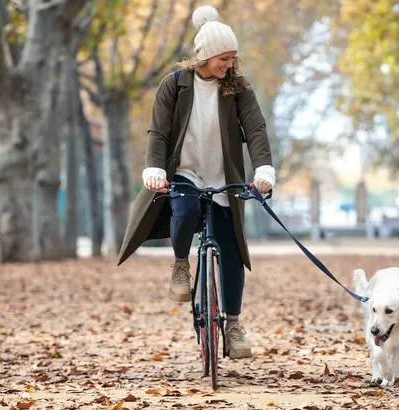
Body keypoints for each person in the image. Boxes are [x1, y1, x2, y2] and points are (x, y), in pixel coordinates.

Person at [116, 5, 276, 359]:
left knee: (232, 251)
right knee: (184, 209)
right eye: (223, 58)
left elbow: (256, 129)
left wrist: (263, 170)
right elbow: (158, 132)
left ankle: (232, 324)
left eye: (233, 58)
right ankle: (180, 264)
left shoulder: (239, 88)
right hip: (185, 172)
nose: (229, 65)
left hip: (225, 178)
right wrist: (153, 169)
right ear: (204, 56)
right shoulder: (174, 86)